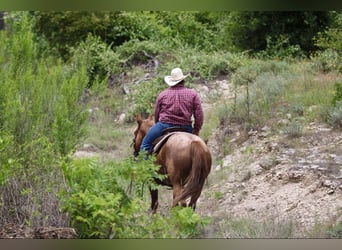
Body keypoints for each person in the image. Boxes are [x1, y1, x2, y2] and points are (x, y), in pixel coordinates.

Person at [140, 67, 204, 155]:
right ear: (183, 80)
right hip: (186, 127)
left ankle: (145, 167)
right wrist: (196, 129)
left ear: (171, 82)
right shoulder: (193, 94)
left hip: (164, 125)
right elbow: (199, 115)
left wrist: (158, 124)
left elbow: (156, 114)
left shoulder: (163, 95)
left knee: (145, 144)